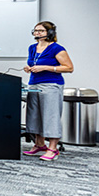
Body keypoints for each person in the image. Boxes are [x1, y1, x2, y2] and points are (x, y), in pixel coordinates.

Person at [22, 21, 73, 161]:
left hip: (51, 84)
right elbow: (34, 63)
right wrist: (28, 68)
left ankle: (53, 148)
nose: (37, 33)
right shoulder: (32, 48)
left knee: (51, 116)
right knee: (34, 115)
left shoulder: (56, 48)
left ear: (50, 33)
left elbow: (69, 68)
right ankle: (39, 145)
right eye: (35, 30)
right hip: (34, 84)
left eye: (41, 30)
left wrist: (45, 67)